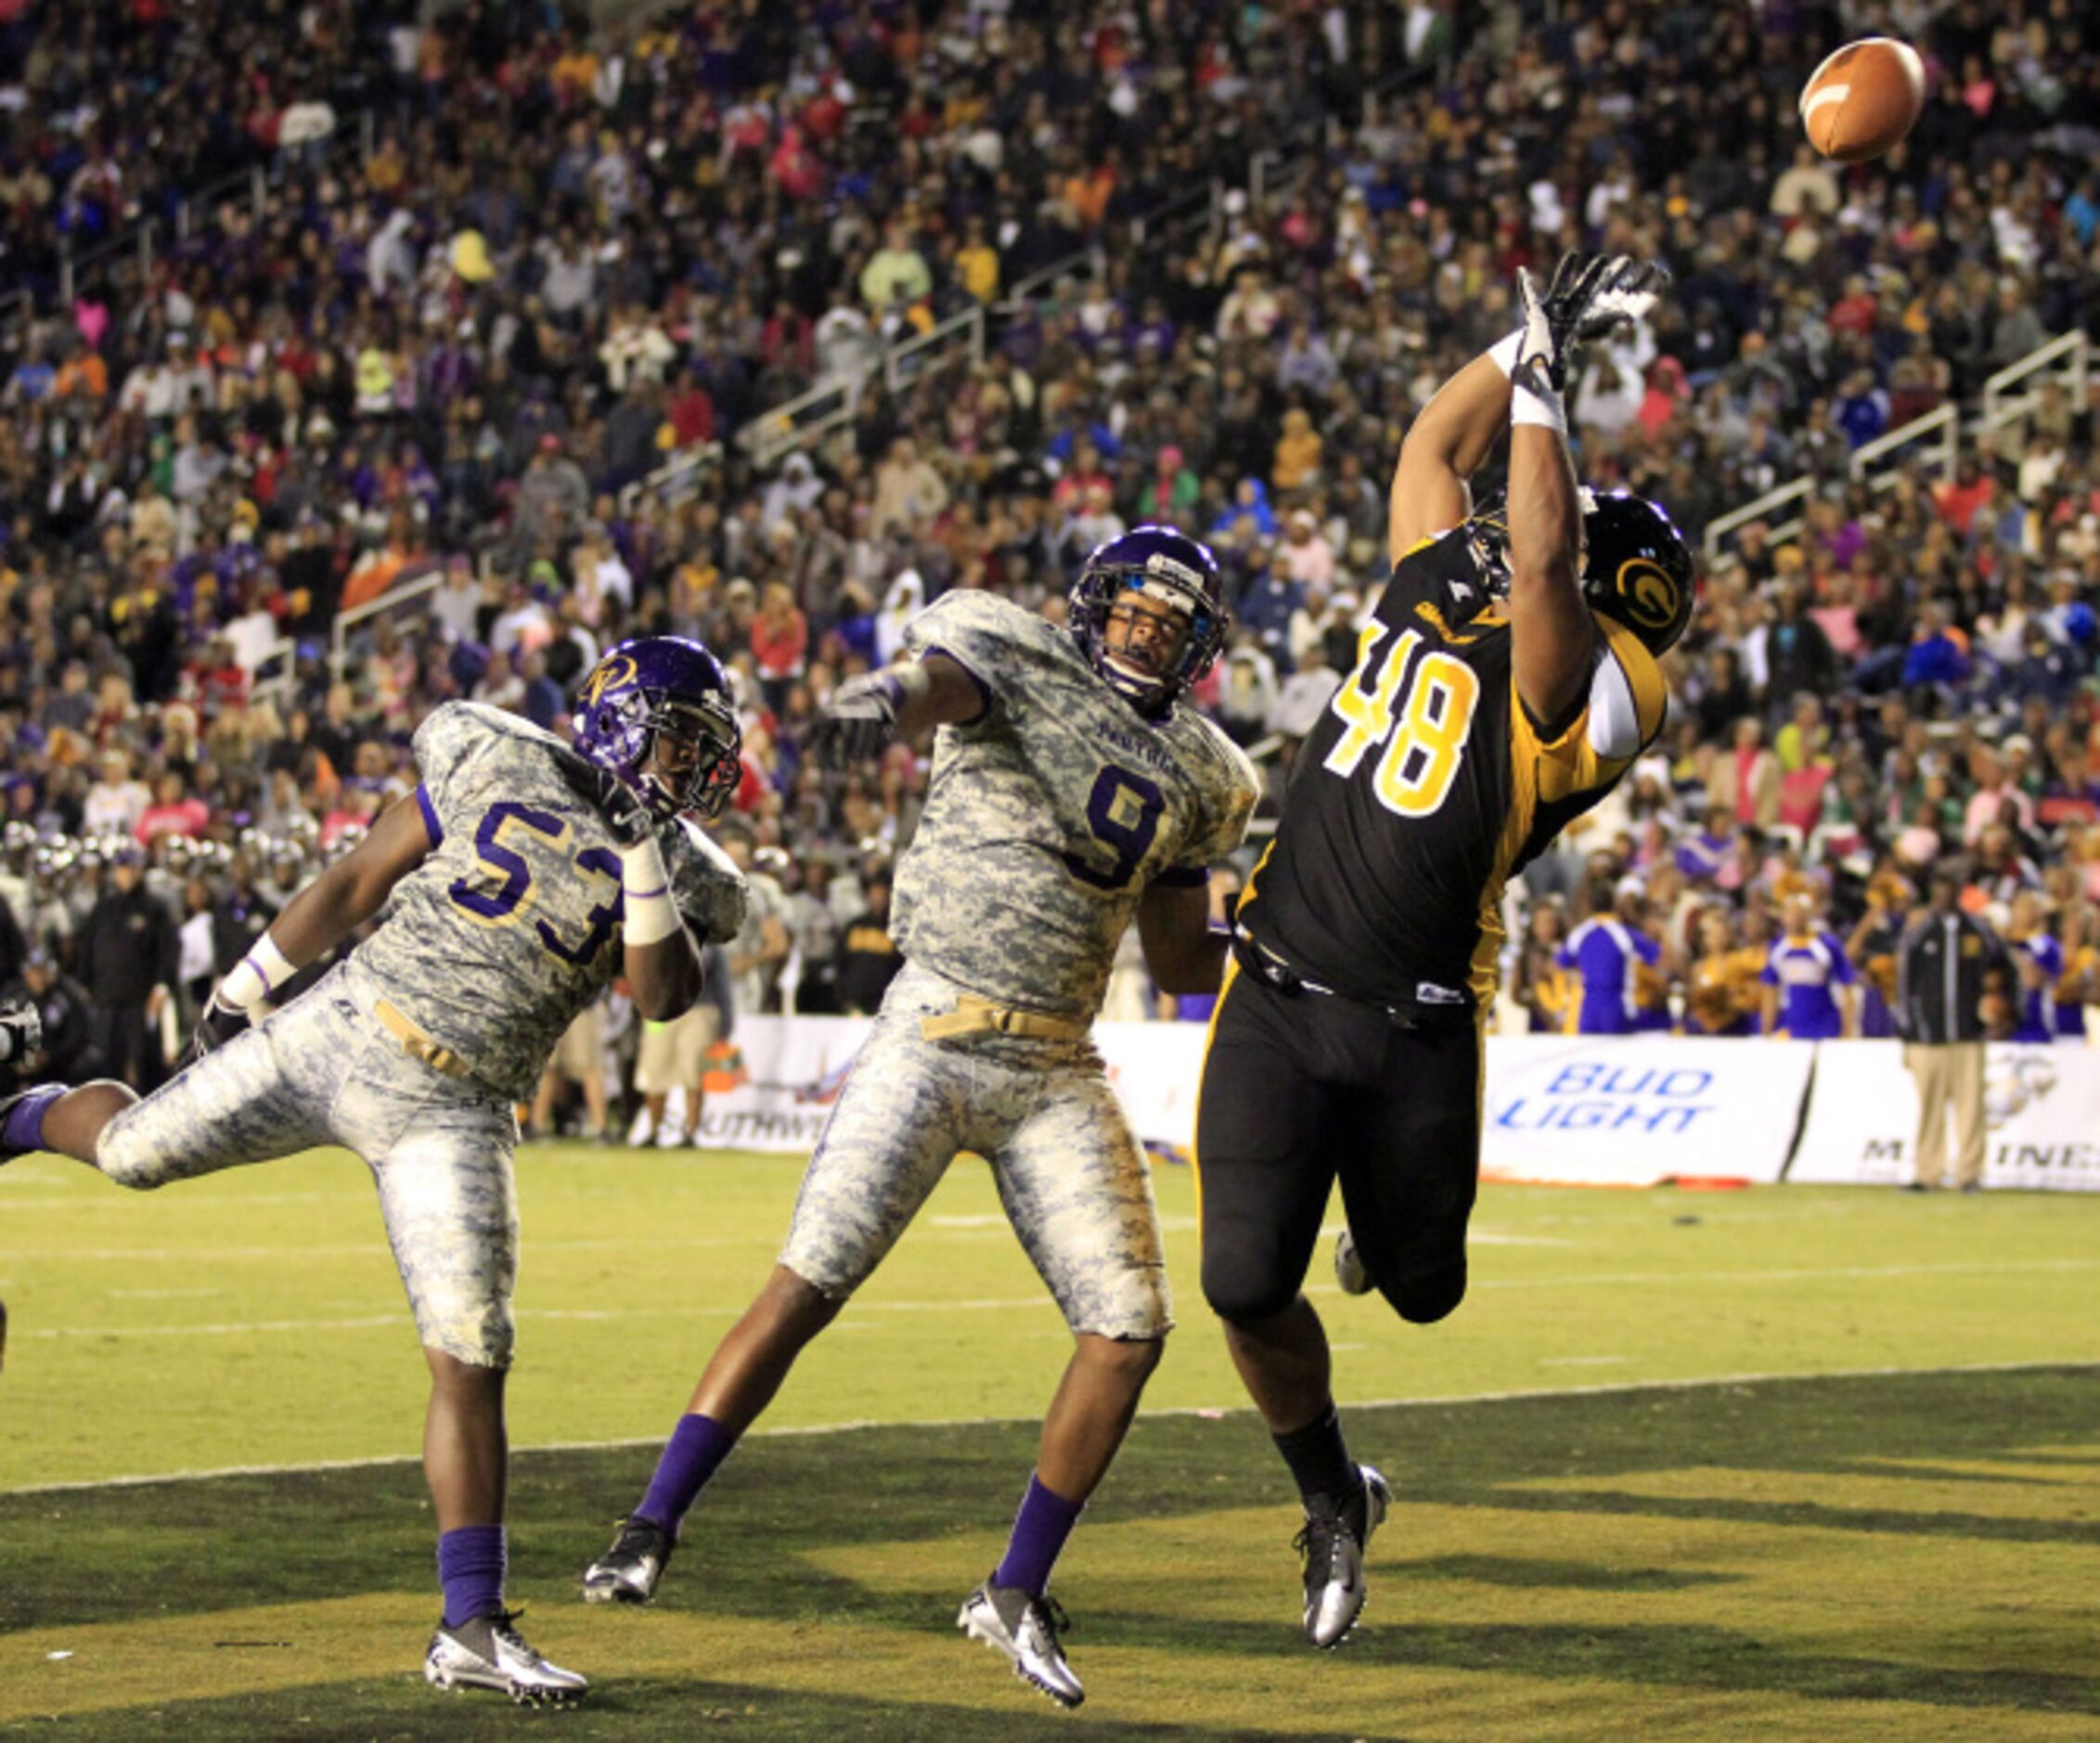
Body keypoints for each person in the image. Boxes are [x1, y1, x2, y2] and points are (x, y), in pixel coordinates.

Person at [581, 526, 1258, 1711]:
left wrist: (1289, 925)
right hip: (933, 1023)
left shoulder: (1209, 773)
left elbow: (1174, 954)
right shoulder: (1008, 644)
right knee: (807, 1283)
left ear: (1198, 644)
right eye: (1133, 611)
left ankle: (1014, 1591)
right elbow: (934, 681)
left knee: (1130, 1328)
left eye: (1170, 621)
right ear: (1092, 608)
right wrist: (877, 695)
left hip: (1058, 1058)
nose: (1146, 632)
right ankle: (649, 1524)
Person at [0, 639, 749, 1704]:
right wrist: (242, 990)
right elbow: (359, 875)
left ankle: (471, 1624)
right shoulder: (493, 753)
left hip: (459, 1107)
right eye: (681, 740)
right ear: (624, 718)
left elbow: (664, 997)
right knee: (130, 1152)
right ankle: (19, 1115)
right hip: (345, 1028)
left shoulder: (681, 870)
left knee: (471, 1352)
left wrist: (637, 851)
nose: (694, 769)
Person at [1193, 255, 1686, 1649]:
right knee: (1238, 1282)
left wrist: (1543, 384)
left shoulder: (1604, 693)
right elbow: (1430, 447)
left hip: (1415, 1017)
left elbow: (1538, 559)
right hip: (1279, 981)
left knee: (1423, 1291)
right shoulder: (1459, 572)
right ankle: (1332, 1495)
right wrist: (1520, 338)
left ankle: (1382, 1232)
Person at [1896, 875, 2016, 1192]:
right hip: (1928, 1037)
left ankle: (1969, 1173)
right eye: (1938, 892)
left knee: (1971, 1107)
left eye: (1949, 892)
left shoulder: (1977, 932)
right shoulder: (1921, 934)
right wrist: (1909, 1032)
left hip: (1967, 1035)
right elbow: (1905, 985)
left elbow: (2006, 967)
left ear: (1958, 895)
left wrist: (2009, 1012)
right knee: (1930, 1108)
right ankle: (1927, 1172)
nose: (1943, 898)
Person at [1559, 876, 1660, 1035]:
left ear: (1590, 905)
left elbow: (1561, 962)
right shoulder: (1624, 934)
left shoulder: (1579, 934)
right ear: (1614, 903)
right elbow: (1654, 956)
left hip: (1587, 1009)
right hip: (1618, 1008)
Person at [1759, 894, 1857, 1039]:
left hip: (1826, 1026)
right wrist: (1766, 1029)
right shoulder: (1777, 948)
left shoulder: (1827, 945)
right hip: (1790, 1026)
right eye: (1790, 912)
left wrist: (1847, 1030)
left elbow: (1846, 987)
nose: (1795, 917)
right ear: (1782, 916)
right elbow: (1769, 990)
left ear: (1810, 914)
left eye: (1800, 912)